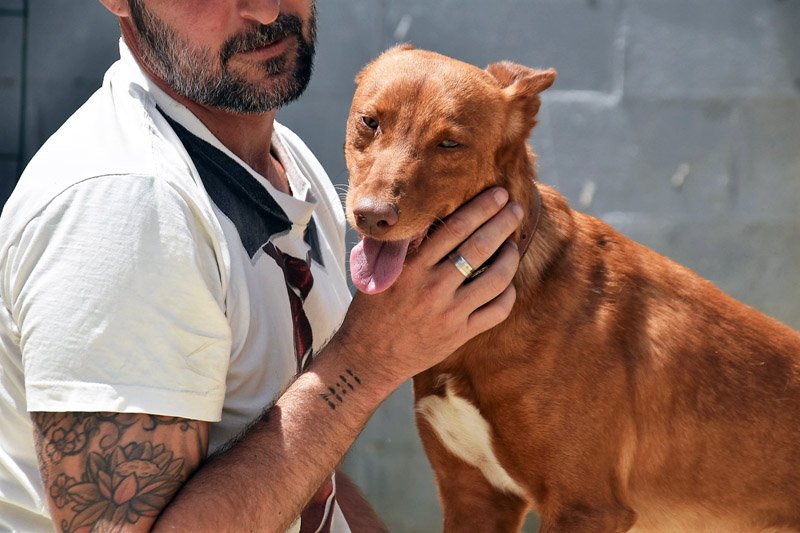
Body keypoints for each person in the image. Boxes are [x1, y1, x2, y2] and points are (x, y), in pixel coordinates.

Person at [0, 0, 523, 530]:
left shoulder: (279, 157)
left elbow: (301, 479)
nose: (267, 10)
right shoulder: (125, 208)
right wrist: (368, 361)